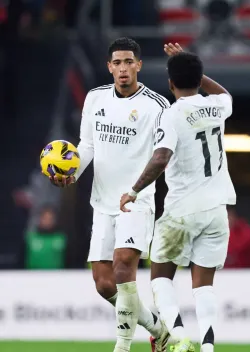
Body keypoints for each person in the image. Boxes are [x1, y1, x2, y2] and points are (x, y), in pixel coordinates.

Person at [50, 37, 170, 352]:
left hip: (136, 203)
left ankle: (122, 346)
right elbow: (86, 146)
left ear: (139, 65)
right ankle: (159, 329)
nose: (123, 68)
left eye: (129, 62)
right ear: (109, 67)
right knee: (105, 285)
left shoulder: (156, 105)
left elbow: (162, 154)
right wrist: (72, 173)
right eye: (117, 63)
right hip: (102, 203)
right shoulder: (95, 99)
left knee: (122, 268)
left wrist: (137, 190)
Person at [120, 43, 236, 352]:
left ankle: (180, 338)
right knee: (204, 285)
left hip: (182, 209)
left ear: (170, 84)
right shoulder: (217, 107)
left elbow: (160, 158)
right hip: (217, 209)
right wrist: (194, 71)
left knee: (159, 277)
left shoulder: (171, 115)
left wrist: (133, 190)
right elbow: (225, 94)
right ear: (199, 80)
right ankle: (209, 346)